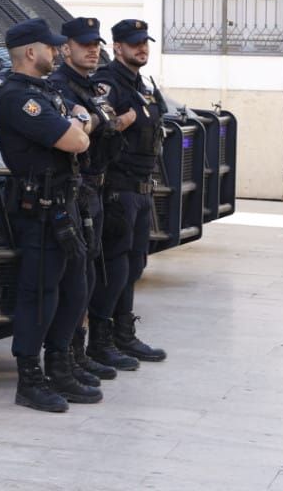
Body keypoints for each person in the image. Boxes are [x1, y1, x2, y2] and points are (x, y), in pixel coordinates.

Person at [0, 18, 98, 412]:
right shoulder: (19, 98)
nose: (57, 52)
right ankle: (29, 379)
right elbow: (76, 138)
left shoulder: (42, 92)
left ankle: (60, 366)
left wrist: (79, 123)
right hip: (39, 210)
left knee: (75, 289)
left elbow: (81, 124)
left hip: (64, 206)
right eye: (51, 47)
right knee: (39, 294)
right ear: (31, 52)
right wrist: (79, 125)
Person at [46, 17, 137, 382]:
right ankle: (65, 357)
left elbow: (105, 123)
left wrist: (101, 119)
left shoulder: (89, 86)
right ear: (65, 48)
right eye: (84, 44)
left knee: (89, 275)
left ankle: (78, 353)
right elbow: (84, 127)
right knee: (75, 280)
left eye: (95, 44)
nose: (92, 50)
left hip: (96, 187)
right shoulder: (60, 86)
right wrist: (101, 120)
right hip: (76, 188)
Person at [88, 19, 169, 365]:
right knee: (115, 267)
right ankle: (100, 340)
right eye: (134, 43)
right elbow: (99, 129)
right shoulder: (108, 83)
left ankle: (124, 333)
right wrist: (123, 121)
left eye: (145, 42)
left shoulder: (143, 84)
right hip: (118, 189)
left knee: (134, 265)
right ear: (117, 47)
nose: (142, 48)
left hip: (141, 188)